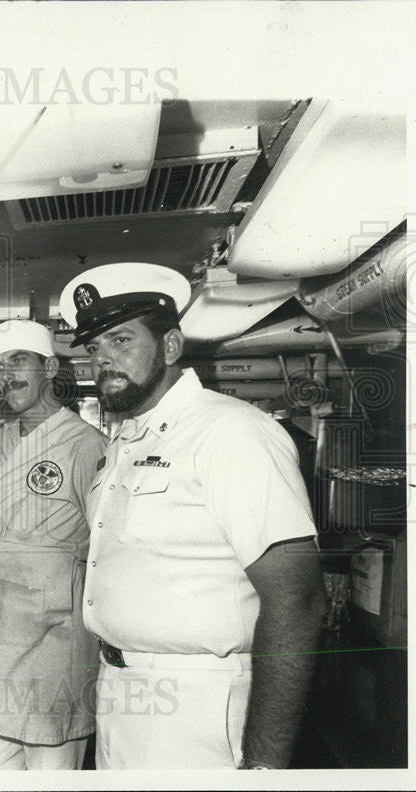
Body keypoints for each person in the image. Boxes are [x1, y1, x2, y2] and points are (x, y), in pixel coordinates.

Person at [59, 262, 326, 770]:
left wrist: (264, 768)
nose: (103, 362)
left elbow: (298, 598)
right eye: (94, 348)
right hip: (121, 690)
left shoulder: (229, 434)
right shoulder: (127, 441)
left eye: (120, 341)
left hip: (198, 702)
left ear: (171, 346)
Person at [0, 319, 107, 770]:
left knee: (51, 770)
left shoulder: (87, 445)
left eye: (18, 361)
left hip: (54, 643)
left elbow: (109, 547)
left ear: (49, 366)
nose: (7, 375)